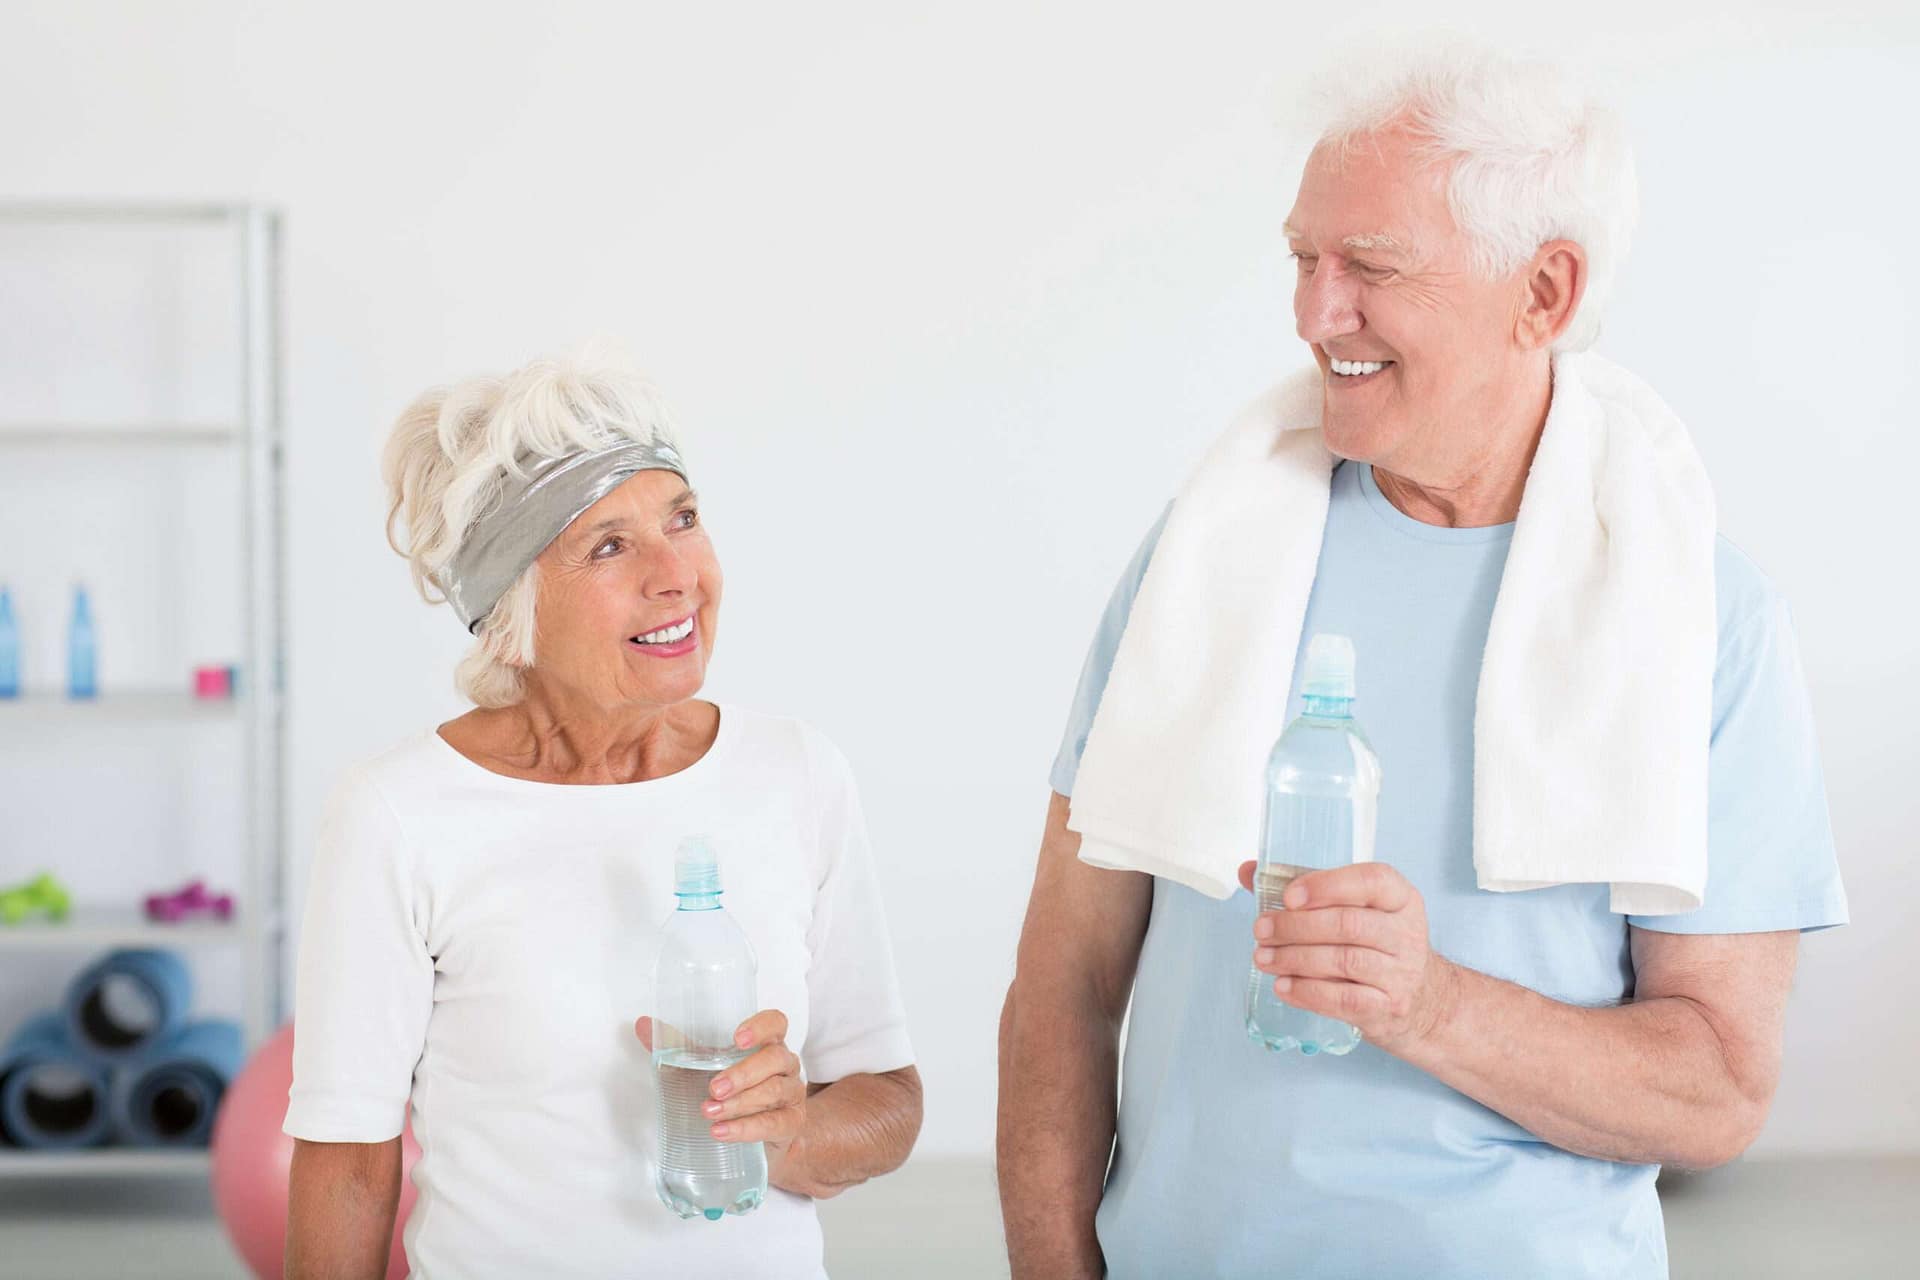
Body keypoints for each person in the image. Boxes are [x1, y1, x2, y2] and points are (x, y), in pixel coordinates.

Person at [998, 45, 1847, 1280]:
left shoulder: (1706, 618)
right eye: (1303, 259)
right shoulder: (1203, 564)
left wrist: (1428, 1003)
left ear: (1544, 293)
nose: (1312, 312)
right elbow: (1061, 987)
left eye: (1370, 269)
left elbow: (1714, 1089)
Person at [283, 350, 921, 1279]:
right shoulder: (398, 813)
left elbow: (888, 1100)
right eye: (610, 546)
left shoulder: (798, 774)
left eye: (684, 520)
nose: (677, 575)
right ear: (513, 610)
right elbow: (348, 1158)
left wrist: (790, 1131)